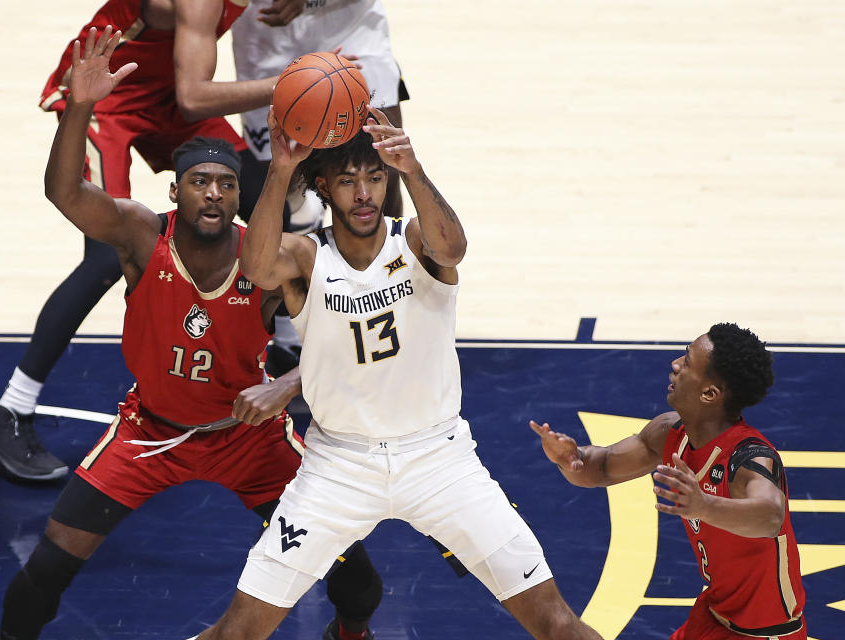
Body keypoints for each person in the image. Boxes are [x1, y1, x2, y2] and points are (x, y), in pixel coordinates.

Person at [0, 28, 383, 640]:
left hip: (248, 438)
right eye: (200, 181)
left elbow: (349, 336)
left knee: (359, 584)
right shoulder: (141, 235)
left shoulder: (267, 258)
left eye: (226, 183)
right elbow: (63, 192)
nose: (214, 192)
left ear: (237, 197)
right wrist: (79, 106)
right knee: (42, 575)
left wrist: (287, 383)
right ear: (175, 191)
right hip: (150, 431)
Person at [184, 106, 604, 640]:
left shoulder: (415, 241)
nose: (363, 193)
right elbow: (256, 267)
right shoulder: (309, 258)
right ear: (323, 187)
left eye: (375, 177)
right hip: (339, 467)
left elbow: (456, 248)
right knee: (238, 631)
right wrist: (280, 172)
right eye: (348, 180)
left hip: (439, 459)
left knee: (554, 620)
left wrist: (414, 169)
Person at [0, 0, 308, 480]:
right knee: (106, 256)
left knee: (260, 193)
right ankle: (11, 409)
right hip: (106, 93)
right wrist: (295, 88)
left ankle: (290, 347)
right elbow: (195, 96)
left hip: (165, 96)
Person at [530, 323, 807, 639]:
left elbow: (771, 515)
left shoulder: (749, 456)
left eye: (687, 362)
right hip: (713, 616)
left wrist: (704, 505)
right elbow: (602, 467)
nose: (675, 365)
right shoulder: (669, 432)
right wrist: (570, 458)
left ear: (709, 393)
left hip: (764, 634)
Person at [231, 0, 409, 376]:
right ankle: (289, 336)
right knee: (283, 187)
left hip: (351, 28)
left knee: (378, 174)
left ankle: (390, 303)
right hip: (267, 37)